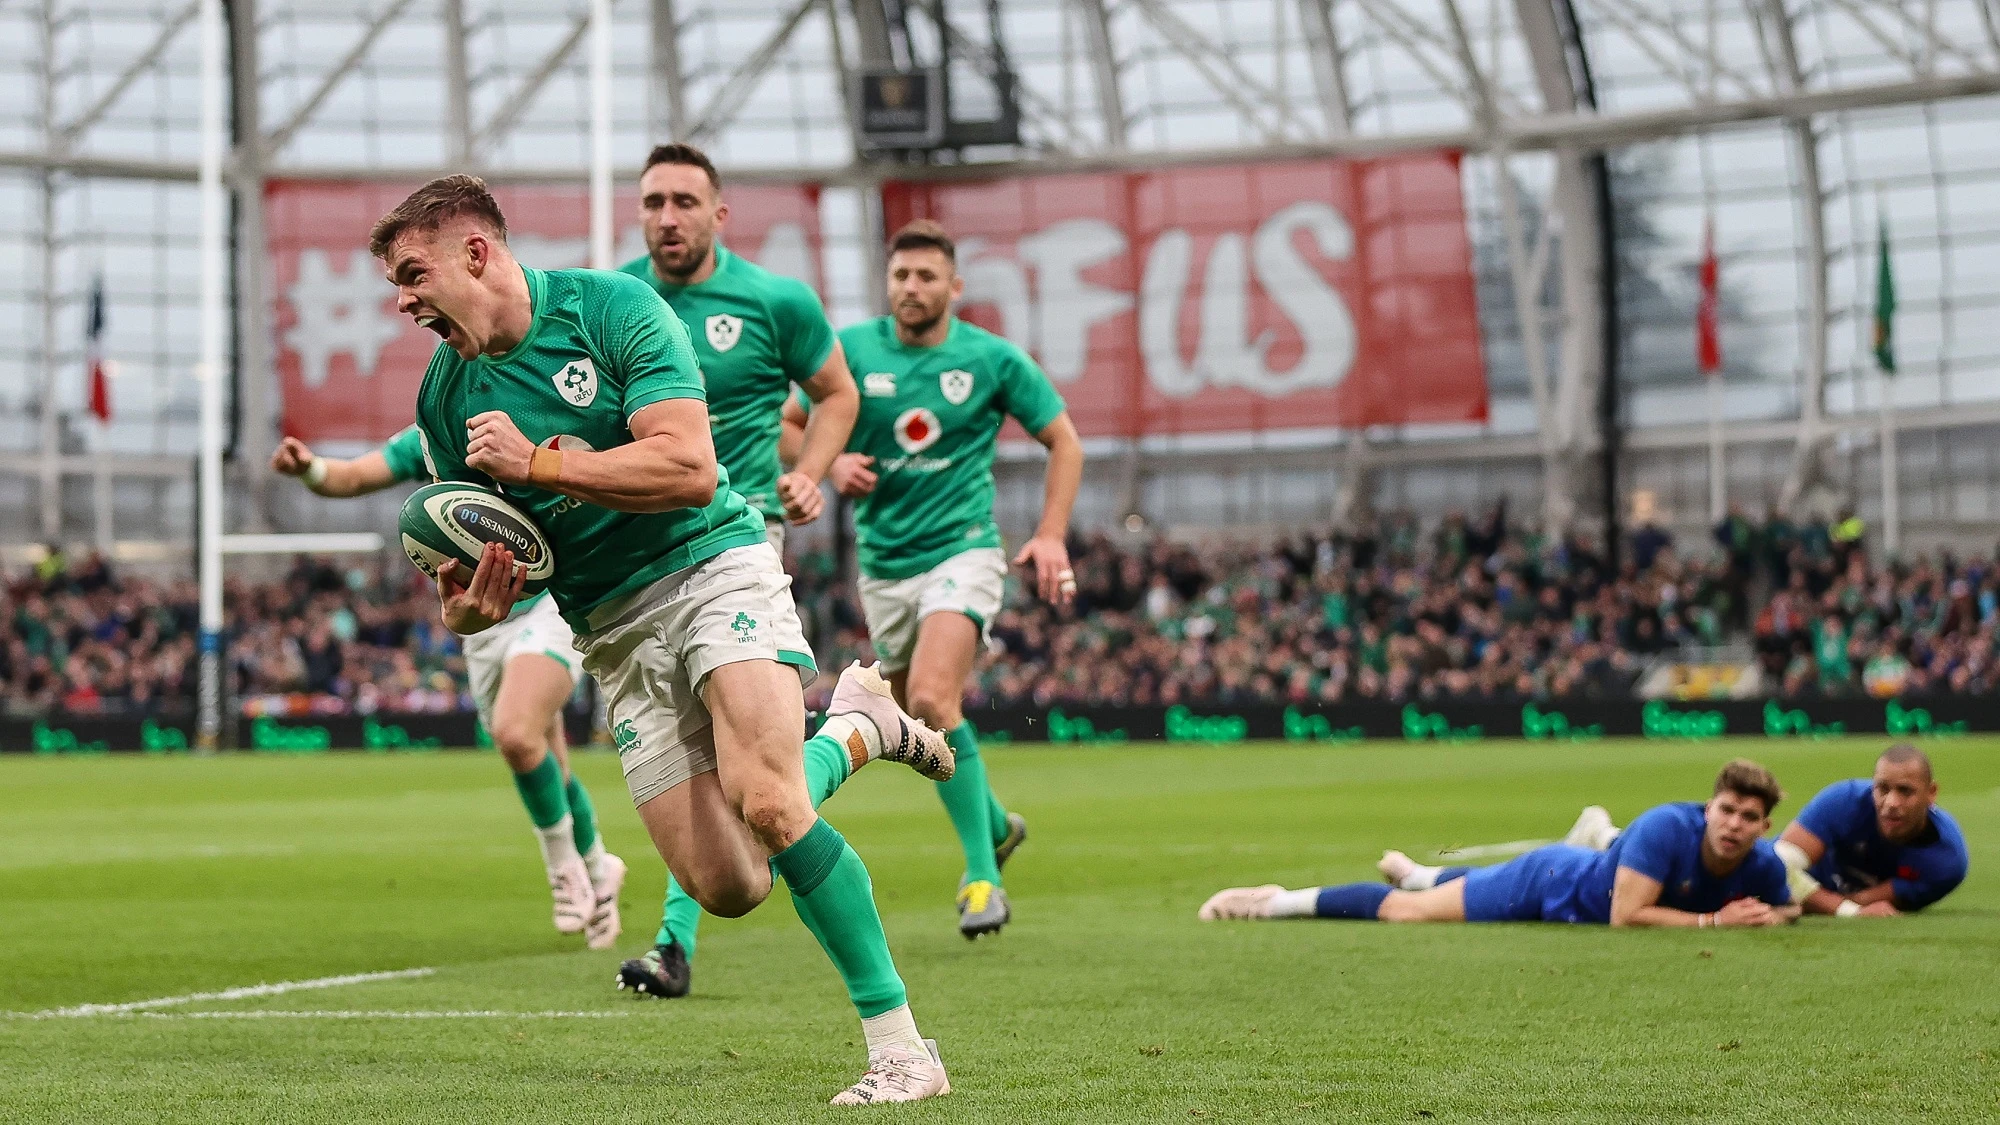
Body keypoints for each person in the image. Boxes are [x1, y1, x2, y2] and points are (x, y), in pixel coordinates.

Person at [373, 174, 955, 1104]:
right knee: (729, 885)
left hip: (710, 565)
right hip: (606, 629)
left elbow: (690, 466)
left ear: (474, 254)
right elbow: (478, 573)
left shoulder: (612, 310)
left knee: (767, 799)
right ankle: (854, 731)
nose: (401, 300)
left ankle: (902, 1050)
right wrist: (469, 609)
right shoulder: (443, 396)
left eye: (412, 274)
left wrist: (540, 460)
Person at [610, 142, 861, 1001]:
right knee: (730, 780)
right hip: (636, 559)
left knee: (739, 769)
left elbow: (837, 393)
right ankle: (855, 735)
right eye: (653, 203)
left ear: (719, 215)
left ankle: (673, 942)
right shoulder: (615, 301)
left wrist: (810, 472)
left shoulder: (772, 300)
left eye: (684, 201)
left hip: (736, 541)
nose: (666, 217)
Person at [784, 219, 1084, 939]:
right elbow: (788, 425)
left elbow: (1063, 439)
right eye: (900, 276)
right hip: (885, 566)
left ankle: (983, 878)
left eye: (925, 277)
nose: (910, 288)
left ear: (954, 287)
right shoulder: (852, 351)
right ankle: (996, 825)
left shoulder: (990, 359)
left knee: (928, 696)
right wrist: (828, 461)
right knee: (921, 718)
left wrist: (1049, 534)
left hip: (964, 550)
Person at [271, 427, 625, 949]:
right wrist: (309, 469)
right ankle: (599, 868)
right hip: (481, 625)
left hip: (554, 602)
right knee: (545, 755)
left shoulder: (533, 401)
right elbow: (355, 474)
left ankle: (563, 869)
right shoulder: (439, 424)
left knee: (515, 732)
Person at [1201, 759, 1797, 928]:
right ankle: (1274, 901)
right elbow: (1626, 915)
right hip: (1549, 885)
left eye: (1749, 816)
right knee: (1412, 915)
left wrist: (1775, 915)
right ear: (1709, 806)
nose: (1734, 824)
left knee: (1439, 888)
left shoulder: (1764, 862)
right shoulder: (1668, 825)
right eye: (1726, 809)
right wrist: (1715, 923)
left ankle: (1411, 870)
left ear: (1764, 826)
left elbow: (1788, 906)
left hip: (1581, 875)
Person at [1556, 744, 1967, 916]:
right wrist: (1847, 913)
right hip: (1784, 878)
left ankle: (1605, 835)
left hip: (1814, 893)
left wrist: (1850, 907)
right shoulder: (1844, 800)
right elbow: (1783, 862)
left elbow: (1879, 899)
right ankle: (1606, 835)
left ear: (1931, 795)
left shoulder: (1947, 860)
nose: (1890, 802)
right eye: (1882, 788)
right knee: (1673, 892)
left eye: (1905, 791)